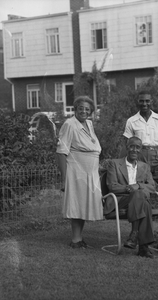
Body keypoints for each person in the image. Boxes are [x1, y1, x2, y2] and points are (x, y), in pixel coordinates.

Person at [122, 90, 158, 233]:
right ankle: (136, 230)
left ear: (151, 102)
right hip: (140, 159)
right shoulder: (132, 121)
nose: (144, 103)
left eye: (147, 101)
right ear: (137, 102)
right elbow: (127, 144)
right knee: (139, 191)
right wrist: (123, 164)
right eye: (141, 101)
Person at [56, 95, 103, 249]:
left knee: (83, 205)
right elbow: (61, 152)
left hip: (90, 173)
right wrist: (64, 178)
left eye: (87, 109)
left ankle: (79, 238)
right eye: (81, 108)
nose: (84, 111)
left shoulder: (89, 124)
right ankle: (75, 239)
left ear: (91, 112)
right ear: (75, 109)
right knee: (77, 204)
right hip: (76, 172)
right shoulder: (70, 124)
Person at [105, 136, 156, 258]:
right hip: (120, 200)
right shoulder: (114, 163)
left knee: (142, 200)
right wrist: (130, 188)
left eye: (138, 147)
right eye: (131, 146)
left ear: (141, 150)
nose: (134, 150)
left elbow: (152, 187)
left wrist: (137, 186)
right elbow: (112, 186)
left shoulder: (145, 166)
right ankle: (142, 244)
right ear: (127, 148)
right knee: (141, 197)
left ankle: (136, 239)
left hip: (138, 201)